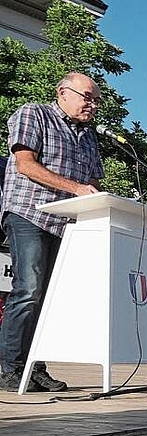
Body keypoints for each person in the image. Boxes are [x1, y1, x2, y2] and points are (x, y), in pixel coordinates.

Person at [0, 73, 104, 392]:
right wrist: (74, 188)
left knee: (49, 300)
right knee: (29, 289)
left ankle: (34, 366)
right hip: (28, 213)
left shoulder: (89, 137)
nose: (92, 104)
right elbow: (25, 165)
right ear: (63, 92)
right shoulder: (34, 114)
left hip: (66, 223)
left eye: (96, 100)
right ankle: (9, 368)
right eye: (87, 96)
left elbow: (94, 184)